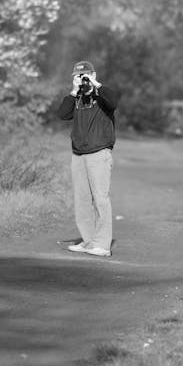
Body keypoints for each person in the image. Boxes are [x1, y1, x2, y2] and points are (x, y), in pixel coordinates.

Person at [57, 60, 118, 257]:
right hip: (78, 154)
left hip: (99, 152)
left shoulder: (102, 95)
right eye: (78, 76)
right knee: (82, 200)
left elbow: (113, 102)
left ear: (93, 74)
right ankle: (89, 240)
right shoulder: (76, 97)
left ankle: (102, 244)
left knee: (100, 198)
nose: (82, 79)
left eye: (85, 75)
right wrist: (74, 91)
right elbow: (62, 114)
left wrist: (95, 84)